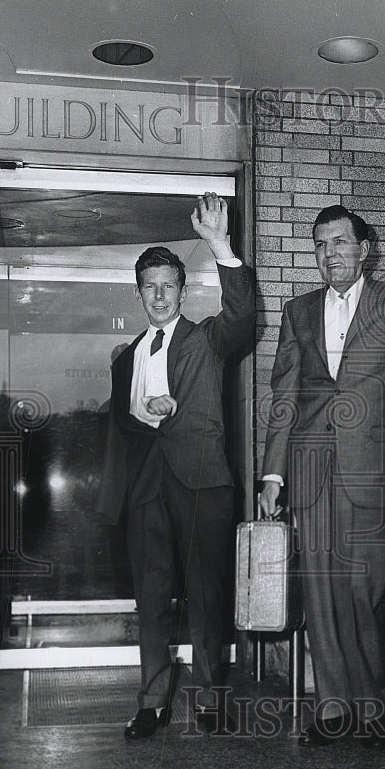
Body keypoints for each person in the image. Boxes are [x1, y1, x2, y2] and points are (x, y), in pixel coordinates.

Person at [260, 205, 385, 748]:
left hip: (373, 474)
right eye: (319, 244)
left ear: (365, 249)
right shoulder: (299, 311)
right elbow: (284, 396)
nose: (328, 253)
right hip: (310, 472)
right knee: (319, 594)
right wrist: (273, 474)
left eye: (338, 242)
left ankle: (374, 707)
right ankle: (332, 707)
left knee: (367, 591)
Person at [98, 193, 254, 739]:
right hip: (146, 492)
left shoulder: (206, 339)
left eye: (169, 285)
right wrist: (146, 417)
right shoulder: (129, 355)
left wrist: (219, 246)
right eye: (150, 287)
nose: (159, 295)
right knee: (151, 602)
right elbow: (125, 427)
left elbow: (243, 317)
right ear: (138, 293)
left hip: (201, 484)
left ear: (182, 291)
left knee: (208, 599)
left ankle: (210, 698)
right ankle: (153, 700)